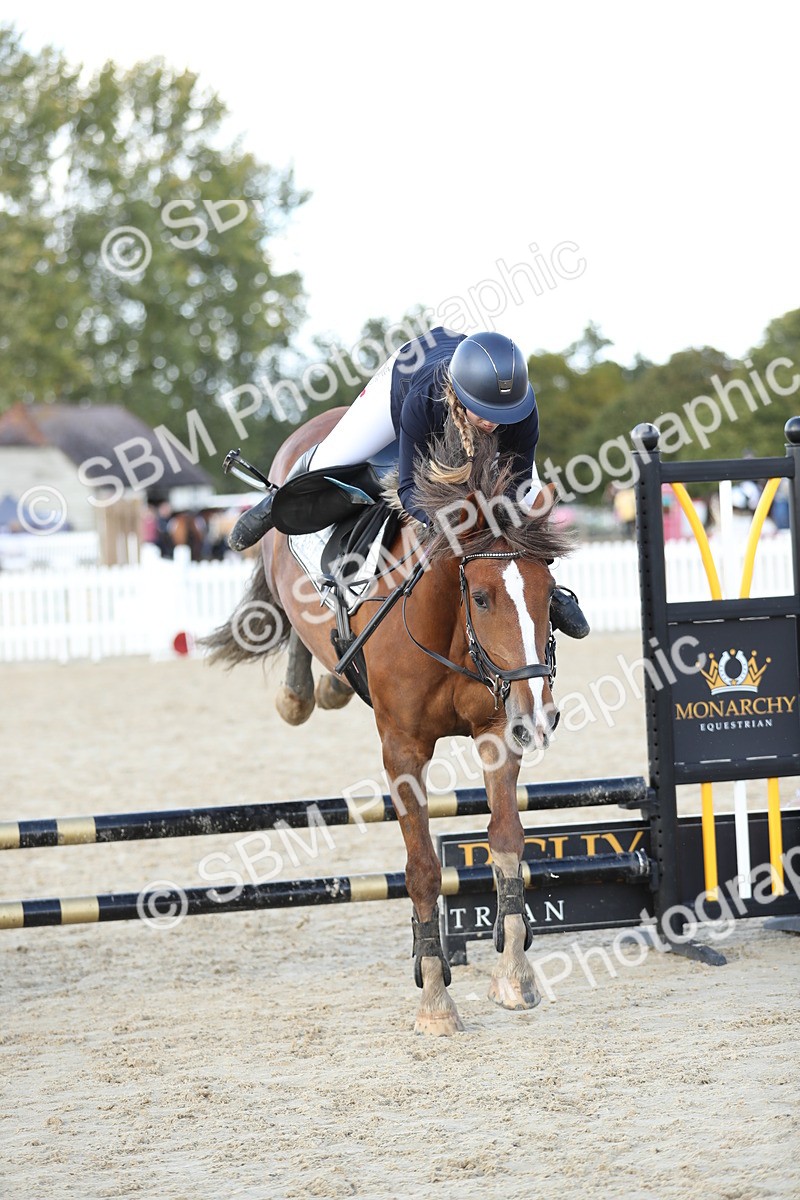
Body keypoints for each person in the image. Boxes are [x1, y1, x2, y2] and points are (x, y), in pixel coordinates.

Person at [229, 327, 589, 638]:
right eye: (486, 413)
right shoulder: (424, 399)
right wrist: (444, 523)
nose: (494, 424)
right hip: (406, 375)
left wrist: (503, 526)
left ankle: (546, 592)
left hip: (459, 370)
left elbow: (518, 482)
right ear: (460, 399)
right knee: (329, 460)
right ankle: (271, 506)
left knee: (529, 507)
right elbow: (407, 488)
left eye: (502, 414)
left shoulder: (520, 410)